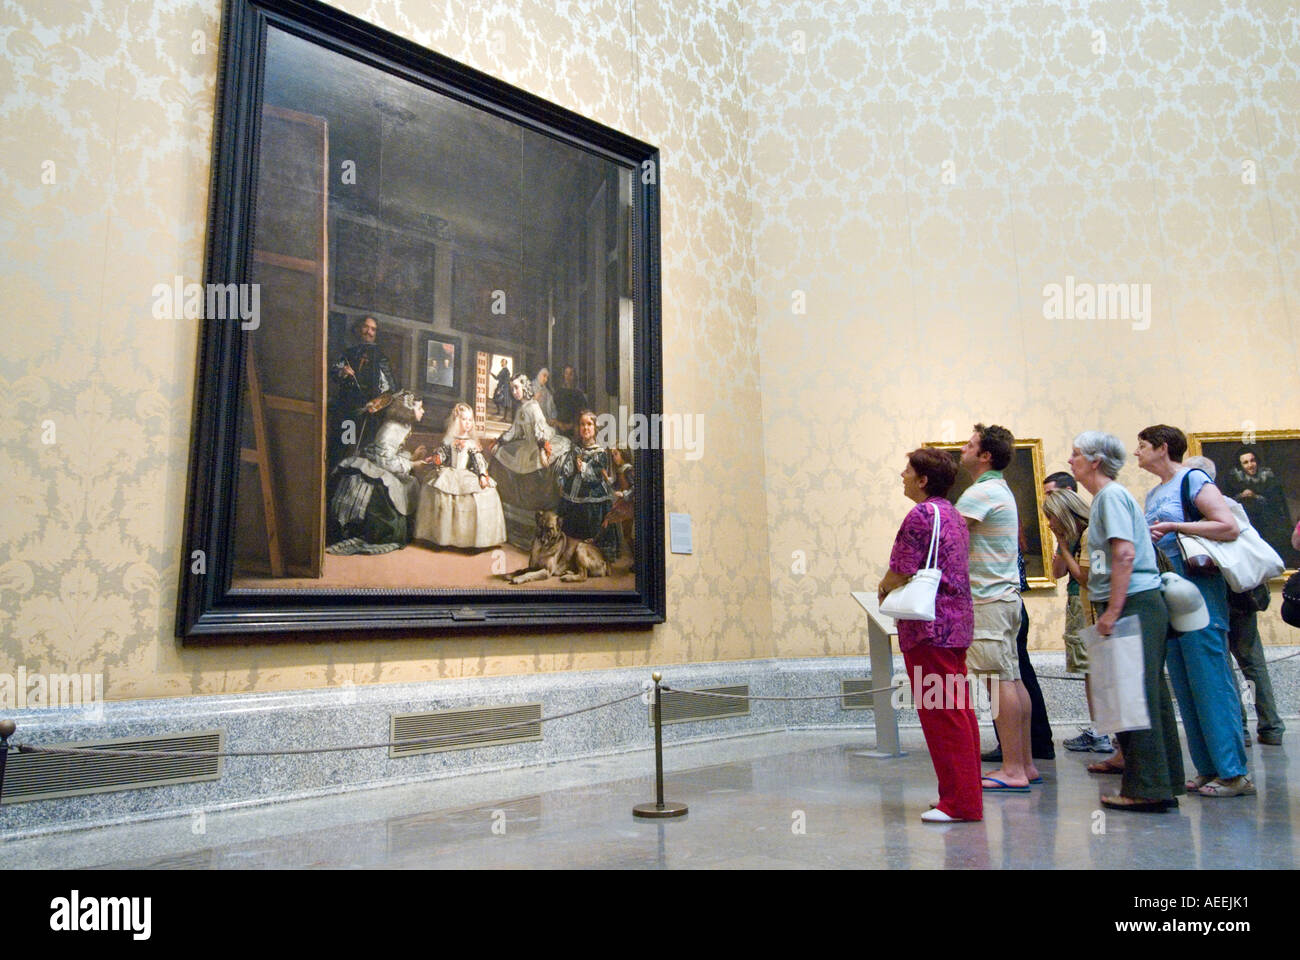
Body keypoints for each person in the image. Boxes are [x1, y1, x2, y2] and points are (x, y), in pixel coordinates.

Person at [1070, 431, 1184, 811]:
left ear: (1095, 460)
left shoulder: (1111, 497)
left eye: (1075, 455)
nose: (1071, 462)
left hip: (1133, 602)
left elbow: (1124, 554)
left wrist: (1112, 612)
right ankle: (1160, 784)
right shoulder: (1107, 498)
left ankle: (1146, 789)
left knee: (1133, 698)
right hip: (1135, 602)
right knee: (1145, 696)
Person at [1137, 424, 1253, 797]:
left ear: (1163, 447)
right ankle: (1208, 767)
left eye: (1142, 445)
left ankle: (1234, 772)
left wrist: (1174, 525)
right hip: (1171, 590)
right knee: (1185, 681)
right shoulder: (1154, 492)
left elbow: (1227, 525)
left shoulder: (1193, 479)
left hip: (1199, 587)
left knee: (1210, 678)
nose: (1136, 452)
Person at [877, 447, 980, 823]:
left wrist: (883, 587)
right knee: (958, 711)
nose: (901, 476)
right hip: (956, 623)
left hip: (929, 627)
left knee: (942, 714)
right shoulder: (952, 514)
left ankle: (960, 803)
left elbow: (901, 568)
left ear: (923, 479)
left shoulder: (922, 513)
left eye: (907, 471)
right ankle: (962, 795)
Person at [955, 423, 1037, 792]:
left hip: (987, 598)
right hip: (1006, 597)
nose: (963, 449)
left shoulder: (981, 492)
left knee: (996, 680)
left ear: (985, 455)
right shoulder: (999, 489)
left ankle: (1012, 769)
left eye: (971, 445)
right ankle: (1025, 764)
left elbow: (948, 535)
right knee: (1012, 679)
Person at [1184, 456, 1285, 747]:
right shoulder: (1230, 504)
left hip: (1227, 594)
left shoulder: (1208, 508)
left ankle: (1243, 727)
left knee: (1232, 664)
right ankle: (1269, 726)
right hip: (1239, 593)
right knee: (1251, 663)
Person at [1042, 489, 1114, 754]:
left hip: (1088, 604)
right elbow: (1058, 572)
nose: (1049, 523)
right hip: (1076, 603)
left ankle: (1102, 731)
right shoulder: (1072, 538)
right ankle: (1100, 728)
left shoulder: (1088, 535)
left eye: (1052, 517)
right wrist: (1061, 544)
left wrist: (1064, 547)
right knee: (1088, 670)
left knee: (1094, 670)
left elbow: (1085, 577)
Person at [327, 390, 425, 555]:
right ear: (409, 408)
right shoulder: (392, 427)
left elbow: (391, 454)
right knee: (396, 492)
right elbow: (383, 461)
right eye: (420, 407)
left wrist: (411, 457)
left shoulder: (403, 425)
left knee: (410, 483)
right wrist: (412, 464)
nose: (423, 411)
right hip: (373, 471)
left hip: (383, 465)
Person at [413, 403, 506, 549]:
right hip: (450, 472)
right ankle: (442, 537)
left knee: (485, 493)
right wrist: (437, 457)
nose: (468, 423)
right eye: (464, 419)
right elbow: (443, 454)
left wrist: (482, 475)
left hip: (466, 474)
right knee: (437, 491)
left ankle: (469, 540)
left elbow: (478, 460)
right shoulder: (449, 439)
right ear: (456, 420)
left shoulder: (471, 443)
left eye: (470, 420)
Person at [488, 374, 570, 511]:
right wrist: (500, 442)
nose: (514, 392)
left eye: (516, 388)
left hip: (542, 441)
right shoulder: (521, 409)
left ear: (525, 387)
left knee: (539, 464)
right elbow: (514, 431)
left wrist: (543, 449)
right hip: (529, 444)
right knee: (501, 453)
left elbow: (540, 430)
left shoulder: (533, 407)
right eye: (512, 389)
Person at [330, 315, 400, 468]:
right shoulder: (348, 353)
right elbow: (333, 373)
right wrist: (342, 372)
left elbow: (391, 390)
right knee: (345, 449)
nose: (369, 332)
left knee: (363, 453)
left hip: (370, 416)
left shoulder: (381, 358)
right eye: (366, 327)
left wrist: (377, 404)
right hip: (347, 412)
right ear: (358, 329)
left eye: (373, 329)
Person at [556, 410, 626, 562]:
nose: (585, 428)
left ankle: (592, 556)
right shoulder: (574, 449)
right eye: (582, 424)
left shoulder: (600, 452)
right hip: (572, 494)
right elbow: (566, 468)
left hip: (593, 494)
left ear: (595, 428)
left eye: (589, 424)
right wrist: (563, 478)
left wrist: (583, 468)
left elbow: (596, 475)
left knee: (591, 524)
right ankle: (570, 554)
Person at [1223, 445, 1299, 568]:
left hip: (1270, 520)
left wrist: (1256, 497)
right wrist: (1241, 496)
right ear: (1240, 465)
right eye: (1246, 462)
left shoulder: (1269, 478)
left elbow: (1277, 503)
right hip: (1247, 522)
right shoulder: (1233, 480)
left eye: (1252, 461)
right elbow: (1227, 502)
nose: (1250, 465)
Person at [551, 364, 590, 440]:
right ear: (563, 375)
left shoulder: (579, 394)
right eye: (566, 373)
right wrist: (559, 424)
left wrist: (572, 425)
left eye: (571, 374)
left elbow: (583, 413)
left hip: (574, 430)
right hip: (559, 429)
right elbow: (553, 412)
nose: (568, 377)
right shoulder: (558, 393)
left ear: (574, 376)